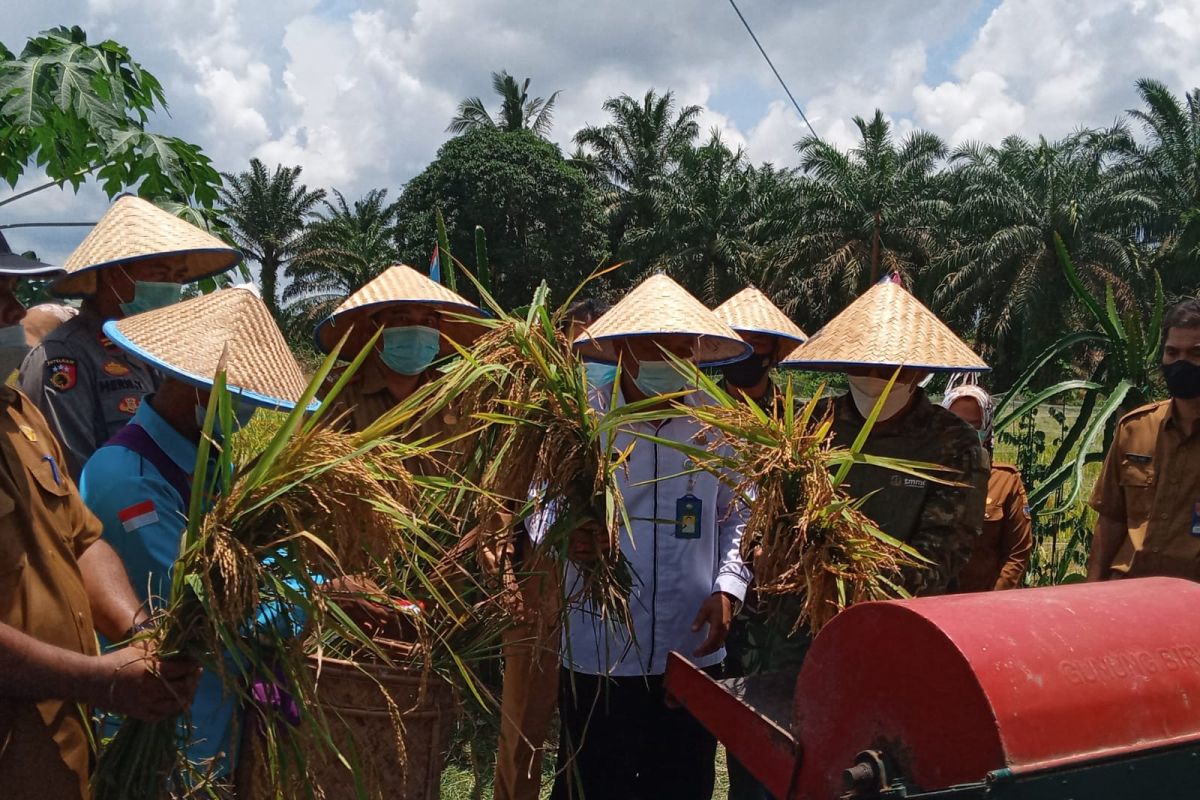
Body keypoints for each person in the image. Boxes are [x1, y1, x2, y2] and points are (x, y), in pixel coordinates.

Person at [79, 286, 310, 781]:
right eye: (240, 394)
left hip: (212, 712)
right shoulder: (127, 477)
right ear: (195, 385)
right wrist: (313, 598)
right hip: (154, 717)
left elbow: (249, 557)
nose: (247, 409)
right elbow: (195, 602)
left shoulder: (212, 459)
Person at [0, 250, 198, 799]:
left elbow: (82, 538)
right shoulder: (66, 360)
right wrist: (97, 679)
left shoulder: (19, 416)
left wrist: (141, 632)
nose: (17, 311)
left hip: (53, 745)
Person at [547, 273, 753, 800]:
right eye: (652, 347)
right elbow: (539, 500)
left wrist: (728, 588)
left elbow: (740, 517)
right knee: (593, 783)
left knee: (681, 783)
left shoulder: (721, 426)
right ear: (619, 350)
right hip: (601, 645)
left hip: (691, 643)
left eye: (682, 348)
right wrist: (566, 531)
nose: (670, 358)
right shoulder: (581, 418)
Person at [781, 276, 989, 596]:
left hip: (899, 613)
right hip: (805, 605)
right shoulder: (809, 423)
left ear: (920, 372)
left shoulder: (952, 443)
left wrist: (868, 592)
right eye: (865, 367)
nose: (877, 379)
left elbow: (945, 548)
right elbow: (781, 513)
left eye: (893, 369)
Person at [20, 195, 239, 478]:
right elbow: (71, 473)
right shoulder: (64, 356)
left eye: (179, 276)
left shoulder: (159, 351)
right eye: (161, 274)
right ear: (113, 274)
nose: (173, 286)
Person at [494, 297, 608, 800]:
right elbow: (506, 495)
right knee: (524, 723)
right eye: (573, 343)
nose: (582, 356)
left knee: (593, 720)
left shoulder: (622, 415)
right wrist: (504, 569)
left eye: (595, 344)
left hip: (603, 581)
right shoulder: (533, 416)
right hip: (539, 580)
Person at [713, 286, 807, 800]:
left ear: (773, 354)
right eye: (735, 349)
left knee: (763, 724)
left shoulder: (800, 422)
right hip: (704, 588)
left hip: (771, 603)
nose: (743, 360)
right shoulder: (698, 412)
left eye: (754, 349)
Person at [1088, 298, 1200, 582]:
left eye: (1195, 353)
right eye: (1172, 352)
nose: (1181, 363)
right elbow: (1111, 519)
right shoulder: (1135, 428)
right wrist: (1091, 594)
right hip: (1128, 593)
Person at [315, 263, 485, 438]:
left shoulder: (454, 397)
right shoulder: (338, 397)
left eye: (428, 322)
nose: (417, 332)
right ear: (370, 332)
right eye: (402, 319)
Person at [943, 382, 1033, 591]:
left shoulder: (1004, 481)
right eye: (955, 423)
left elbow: (1017, 554)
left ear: (987, 428)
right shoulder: (925, 474)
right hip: (930, 602)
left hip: (982, 601)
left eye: (974, 426)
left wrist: (994, 601)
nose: (964, 433)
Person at [714, 286, 807, 406]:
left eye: (756, 343)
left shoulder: (797, 416)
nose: (744, 351)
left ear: (775, 352)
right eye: (734, 342)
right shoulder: (694, 408)